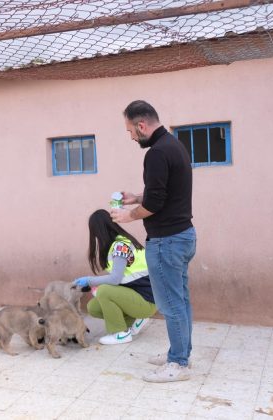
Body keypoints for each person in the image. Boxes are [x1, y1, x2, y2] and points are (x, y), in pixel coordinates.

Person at [111, 100, 196, 383]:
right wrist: (137, 197)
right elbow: (163, 193)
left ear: (141, 125)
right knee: (180, 301)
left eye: (130, 131)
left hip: (167, 240)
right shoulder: (174, 145)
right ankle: (179, 352)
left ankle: (178, 363)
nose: (131, 136)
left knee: (171, 304)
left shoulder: (156, 154)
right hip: (183, 235)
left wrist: (128, 215)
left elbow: (157, 203)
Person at [73, 209, 156, 345]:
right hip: (136, 295)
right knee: (93, 307)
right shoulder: (115, 245)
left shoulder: (120, 246)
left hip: (148, 300)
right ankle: (136, 319)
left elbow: (115, 279)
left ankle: (120, 333)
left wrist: (89, 280)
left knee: (104, 291)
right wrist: (93, 284)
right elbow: (121, 277)